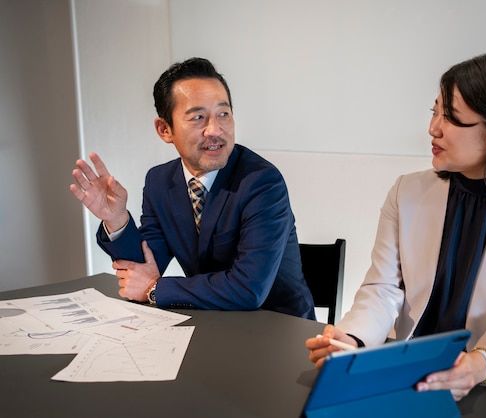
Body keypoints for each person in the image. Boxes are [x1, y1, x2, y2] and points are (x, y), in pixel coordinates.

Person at [306, 51, 486, 400]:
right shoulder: (407, 190)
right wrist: (351, 338)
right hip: (415, 372)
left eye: (451, 118)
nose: (433, 128)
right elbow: (383, 287)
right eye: (435, 111)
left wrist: (479, 365)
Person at [70, 57, 315, 319]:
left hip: (278, 330)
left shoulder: (262, 182)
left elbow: (248, 288)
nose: (215, 130)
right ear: (165, 129)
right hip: (209, 324)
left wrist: (155, 289)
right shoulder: (160, 181)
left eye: (224, 114)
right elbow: (145, 267)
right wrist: (116, 219)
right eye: (198, 117)